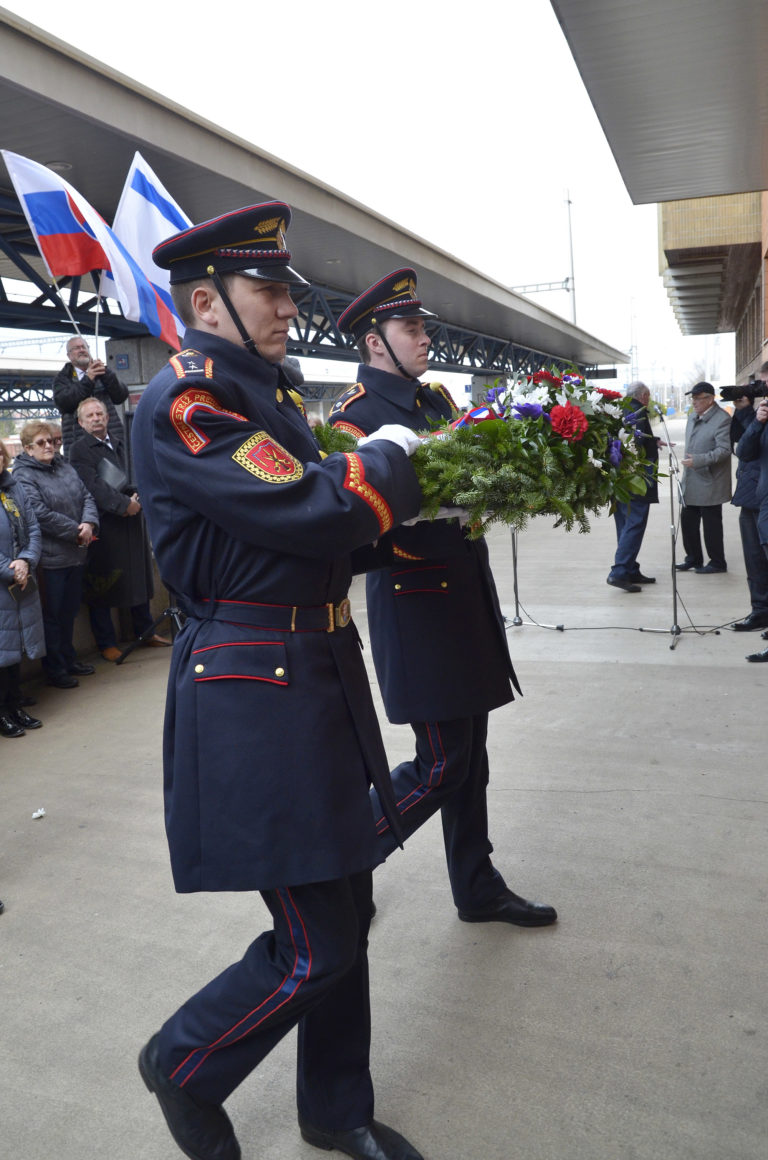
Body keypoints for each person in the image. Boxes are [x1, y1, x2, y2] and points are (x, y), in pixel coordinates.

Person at [131, 203, 426, 1160]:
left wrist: (389, 521)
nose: (287, 307)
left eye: (286, 290)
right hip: (256, 689)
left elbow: (310, 535)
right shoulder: (191, 402)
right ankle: (183, 1062)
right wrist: (387, 464)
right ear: (205, 301)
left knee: (350, 911)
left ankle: (334, 1108)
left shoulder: (268, 395)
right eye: (267, 289)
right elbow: (306, 503)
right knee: (315, 943)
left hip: (310, 675)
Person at [330, 268, 557, 928]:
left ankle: (476, 885)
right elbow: (353, 521)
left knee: (470, 762)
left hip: (464, 596)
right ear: (376, 343)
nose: (425, 338)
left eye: (422, 326)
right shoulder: (354, 421)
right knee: (440, 763)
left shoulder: (435, 403)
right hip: (417, 602)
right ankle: (341, 864)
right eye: (411, 328)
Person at [69, 397, 169, 660]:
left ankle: (145, 630)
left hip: (132, 522)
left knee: (139, 577)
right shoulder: (79, 450)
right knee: (103, 584)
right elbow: (92, 486)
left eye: (99, 413)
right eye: (89, 416)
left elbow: (136, 473)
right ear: (80, 422)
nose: (96, 418)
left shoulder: (121, 442)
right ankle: (106, 642)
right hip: (106, 523)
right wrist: (124, 505)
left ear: (107, 416)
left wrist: (138, 500)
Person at [12, 419, 99, 688]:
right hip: (50, 560)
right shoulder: (23, 476)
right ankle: (56, 669)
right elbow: (38, 513)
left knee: (69, 611)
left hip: (75, 554)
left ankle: (69, 659)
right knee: (52, 616)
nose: (49, 446)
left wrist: (89, 523)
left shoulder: (63, 465)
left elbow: (86, 496)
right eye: (41, 443)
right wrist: (76, 529)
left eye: (51, 440)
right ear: (28, 449)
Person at [0, 438, 45, 737]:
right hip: (6, 582)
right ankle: (2, 713)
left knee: (14, 650)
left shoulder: (13, 486)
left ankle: (14, 706)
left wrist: (26, 561)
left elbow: (33, 529)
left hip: (21, 581)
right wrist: (10, 569)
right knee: (1, 654)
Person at [606, 381, 659, 592]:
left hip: (620, 480)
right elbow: (633, 445)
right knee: (635, 525)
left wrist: (652, 441)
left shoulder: (621, 410)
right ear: (644, 396)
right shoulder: (638, 411)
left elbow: (629, 438)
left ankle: (630, 569)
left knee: (625, 525)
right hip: (635, 481)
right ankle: (619, 572)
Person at [676, 381, 732, 574]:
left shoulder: (722, 419)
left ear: (710, 399)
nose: (694, 402)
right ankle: (693, 558)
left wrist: (699, 460)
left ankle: (717, 562)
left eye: (698, 399)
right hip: (692, 479)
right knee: (688, 520)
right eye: (692, 398)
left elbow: (724, 450)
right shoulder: (693, 417)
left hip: (710, 480)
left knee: (711, 525)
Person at [729, 368, 768, 632]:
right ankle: (760, 611)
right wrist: (752, 416)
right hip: (750, 495)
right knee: (754, 562)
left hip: (764, 495)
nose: (761, 389)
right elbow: (742, 448)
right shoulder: (759, 413)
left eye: (763, 384)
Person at [53, 334, 129, 458]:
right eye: (77, 348)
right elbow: (64, 403)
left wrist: (107, 373)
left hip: (111, 438)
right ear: (69, 355)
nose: (82, 350)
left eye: (84, 347)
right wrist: (88, 379)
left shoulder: (103, 373)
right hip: (79, 443)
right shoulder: (62, 378)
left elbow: (120, 396)